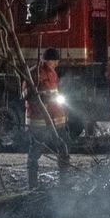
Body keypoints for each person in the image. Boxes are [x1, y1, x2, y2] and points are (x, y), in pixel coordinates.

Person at [26, 47, 71, 189]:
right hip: (40, 121)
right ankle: (32, 185)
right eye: (55, 61)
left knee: (63, 147)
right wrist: (41, 97)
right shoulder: (34, 74)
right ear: (49, 60)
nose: (57, 64)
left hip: (56, 120)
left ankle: (64, 183)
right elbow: (26, 95)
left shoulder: (52, 73)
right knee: (35, 151)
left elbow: (54, 94)